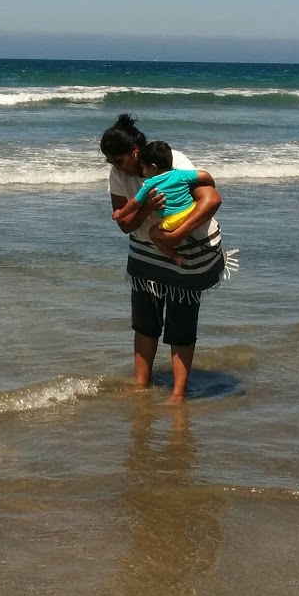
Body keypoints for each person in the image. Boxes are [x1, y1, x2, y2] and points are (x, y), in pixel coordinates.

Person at [102, 114, 228, 404]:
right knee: (144, 323)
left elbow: (210, 199)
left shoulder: (176, 161)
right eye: (109, 161)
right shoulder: (119, 175)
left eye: (117, 160)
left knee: (181, 324)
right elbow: (125, 224)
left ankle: (178, 394)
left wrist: (174, 236)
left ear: (135, 153)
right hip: (146, 253)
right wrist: (146, 210)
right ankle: (141, 386)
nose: (114, 167)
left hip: (186, 250)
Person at [113, 141, 216, 266]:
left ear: (153, 167)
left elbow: (134, 203)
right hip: (191, 211)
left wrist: (120, 213)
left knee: (153, 233)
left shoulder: (149, 184)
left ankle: (175, 255)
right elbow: (203, 175)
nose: (143, 172)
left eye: (144, 168)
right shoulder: (179, 174)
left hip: (173, 220)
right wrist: (211, 183)